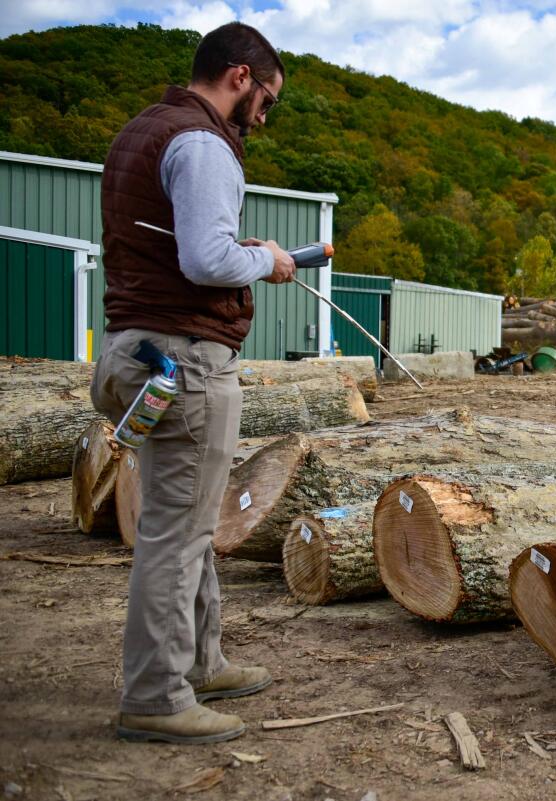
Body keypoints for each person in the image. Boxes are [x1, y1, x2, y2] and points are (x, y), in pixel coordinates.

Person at [91, 22, 296, 744]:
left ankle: (200, 659)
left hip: (137, 351)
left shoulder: (144, 131)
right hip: (184, 360)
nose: (262, 119)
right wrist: (265, 258)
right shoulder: (203, 142)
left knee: (187, 522)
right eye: (264, 101)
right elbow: (207, 258)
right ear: (239, 76)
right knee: (176, 536)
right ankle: (155, 694)